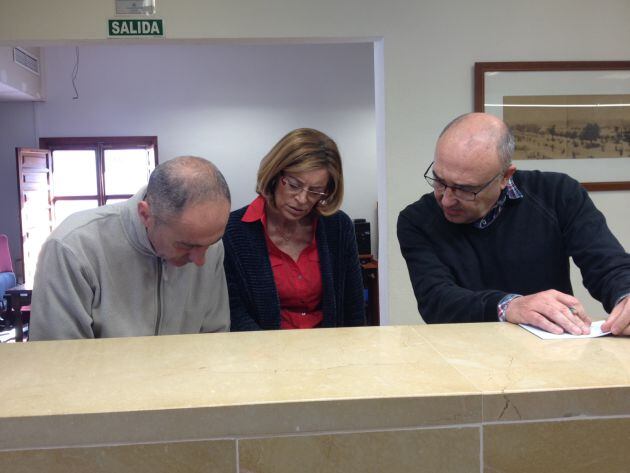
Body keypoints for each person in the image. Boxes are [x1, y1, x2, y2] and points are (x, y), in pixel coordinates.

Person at [397, 112, 630, 336]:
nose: (446, 199)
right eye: (439, 181)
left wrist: (625, 296)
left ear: (505, 177)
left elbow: (606, 263)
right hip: (465, 356)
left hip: (551, 351)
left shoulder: (558, 194)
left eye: (465, 189)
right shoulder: (417, 220)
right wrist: (510, 307)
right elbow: (437, 301)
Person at [29, 156, 232, 340]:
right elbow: (57, 358)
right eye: (186, 245)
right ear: (145, 215)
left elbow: (214, 338)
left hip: (186, 377)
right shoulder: (73, 247)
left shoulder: (207, 244)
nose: (200, 260)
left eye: (210, 243)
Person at [223, 128, 366, 331]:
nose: (302, 199)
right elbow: (234, 311)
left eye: (316, 191)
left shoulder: (338, 226)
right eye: (293, 184)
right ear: (275, 174)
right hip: (260, 353)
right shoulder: (233, 231)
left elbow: (353, 306)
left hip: (331, 351)